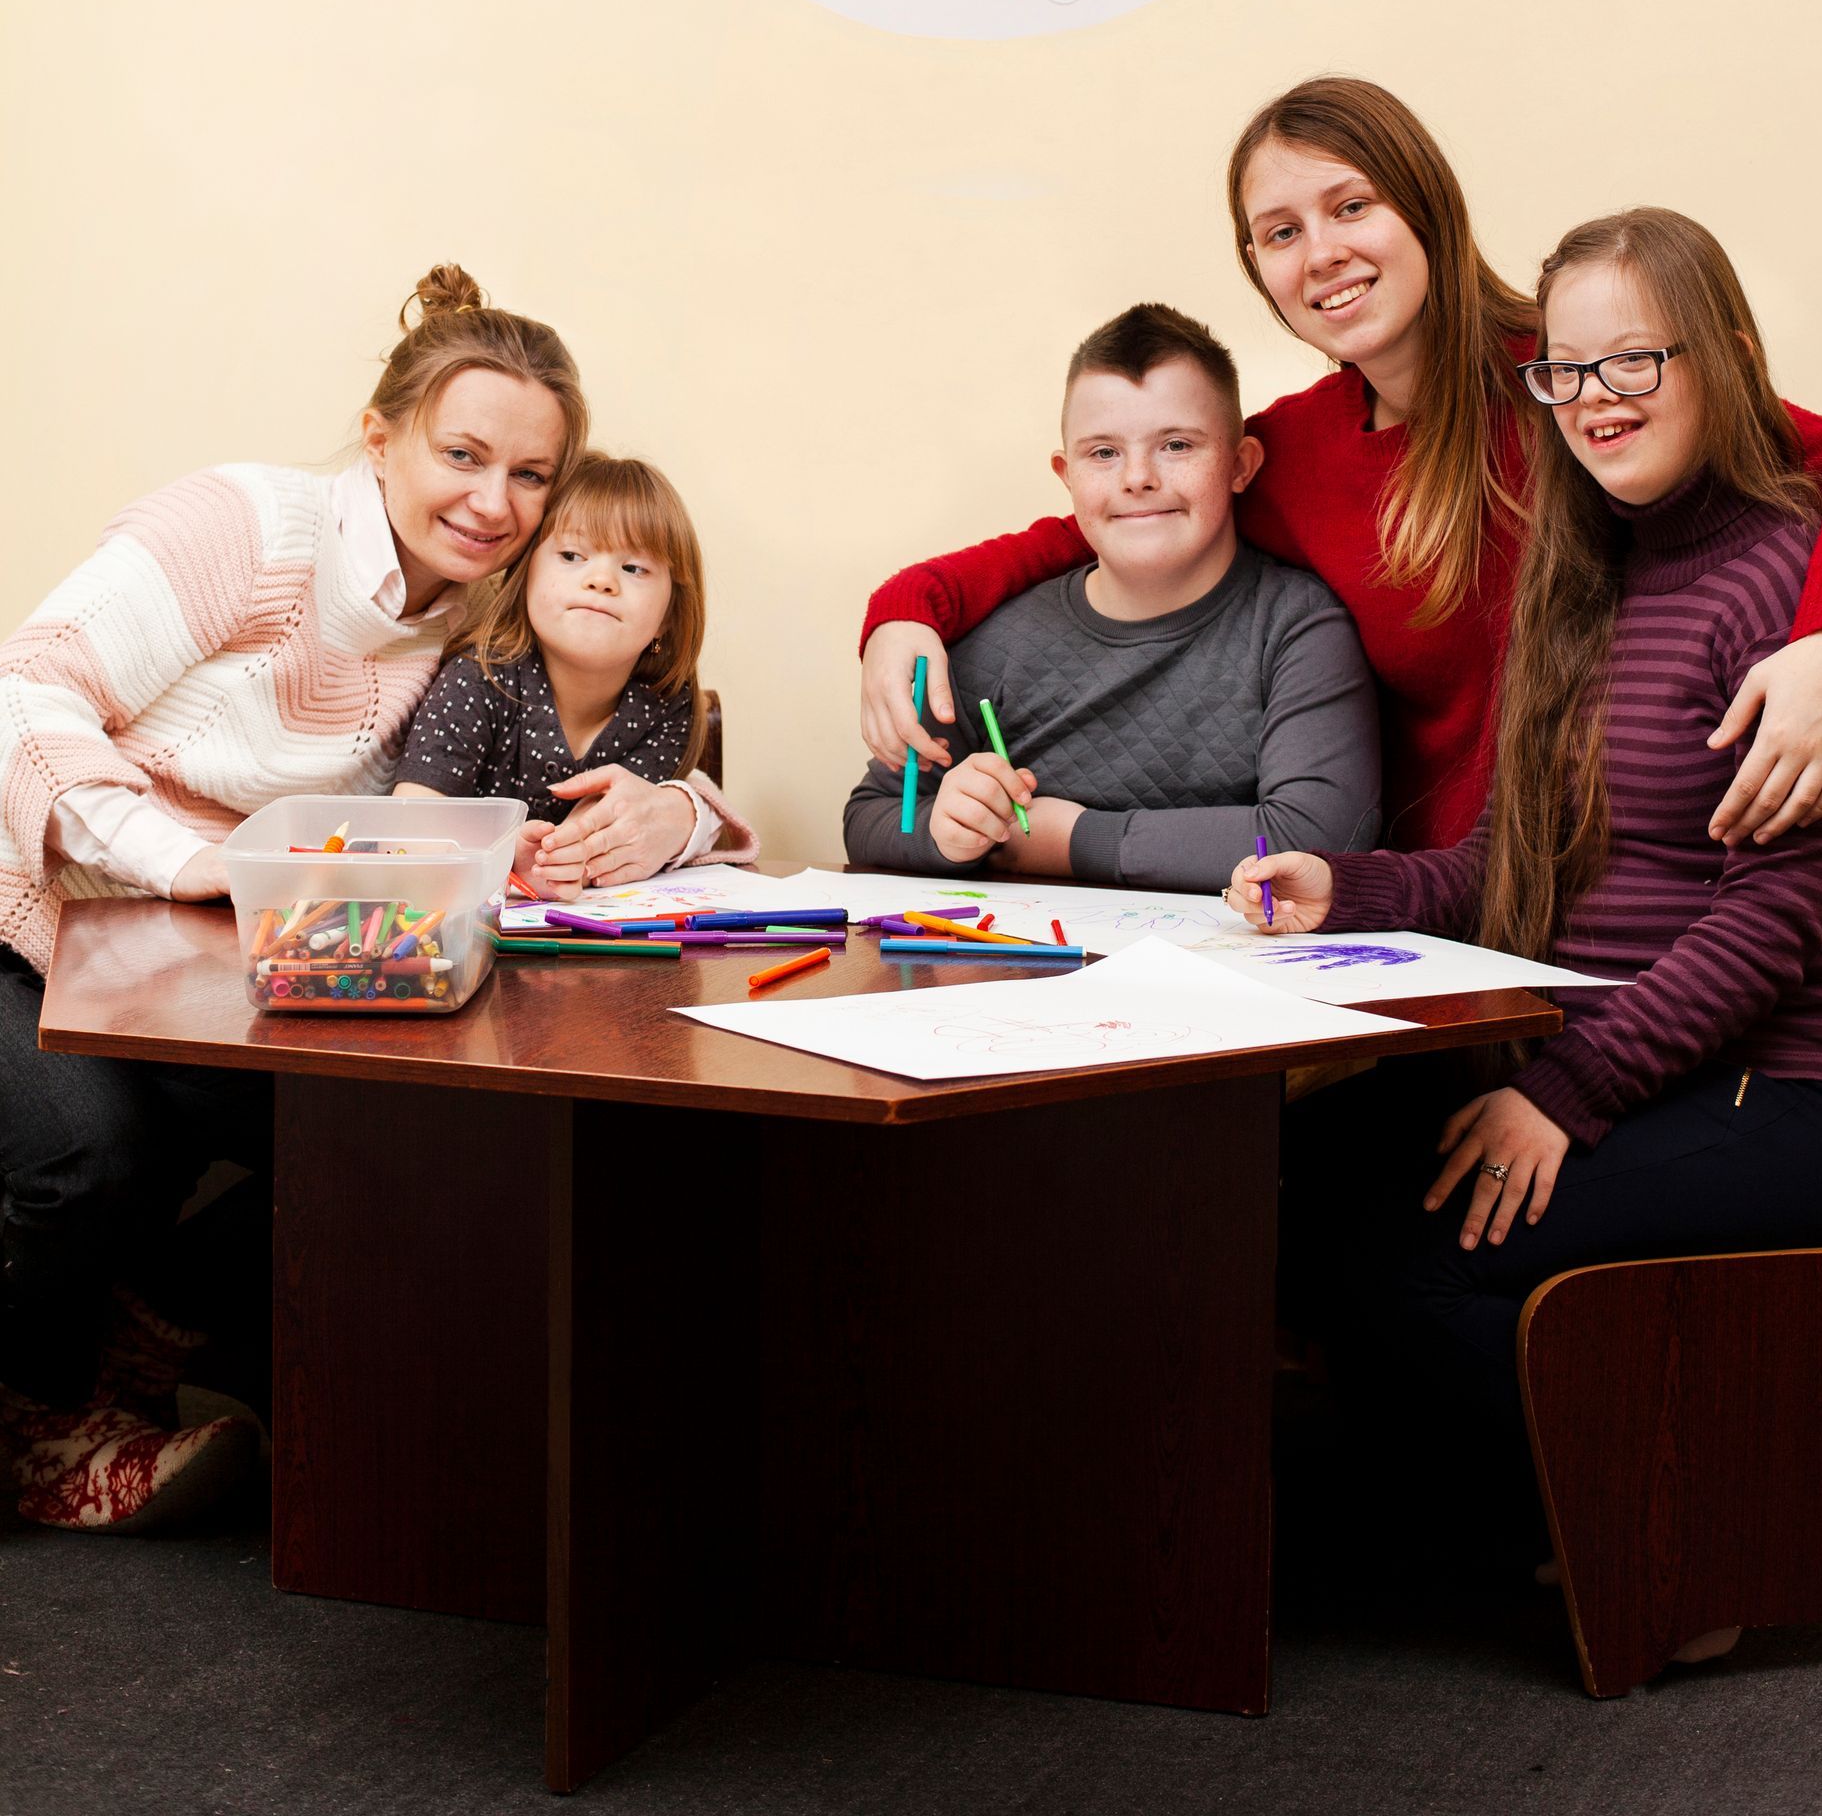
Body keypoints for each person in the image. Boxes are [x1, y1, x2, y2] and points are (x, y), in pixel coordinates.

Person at [1226, 209, 1822, 1632]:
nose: (1594, 400)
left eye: (1634, 363)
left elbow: (1766, 929)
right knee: (1287, 1185)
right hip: (1631, 1068)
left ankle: (1694, 1540)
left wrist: (1564, 1096)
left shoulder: (1795, 589)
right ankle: (1528, 1524)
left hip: (1779, 1092)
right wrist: (1339, 885)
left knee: (1405, 1265)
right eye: (1565, 371)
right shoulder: (1591, 572)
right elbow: (1504, 861)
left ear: (1721, 359)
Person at [858, 81, 1822, 853]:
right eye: (1278, 232)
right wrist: (908, 610)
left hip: (1629, 896)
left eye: (1351, 206)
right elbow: (1120, 509)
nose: (1319, 253)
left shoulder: (1571, 379)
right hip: (1425, 911)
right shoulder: (1299, 451)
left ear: (1426, 206)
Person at [0, 263, 587, 1532]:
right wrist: (183, 856)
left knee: (414, 1135)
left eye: (530, 477)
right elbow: (26, 687)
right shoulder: (246, 526)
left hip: (217, 958)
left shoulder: (483, 613)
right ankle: (31, 1420)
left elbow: (596, 742)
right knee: (94, 1153)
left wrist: (682, 808)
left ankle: (122, 1365)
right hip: (36, 909)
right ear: (381, 437)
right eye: (462, 455)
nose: (494, 504)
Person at [843, 303, 1379, 886]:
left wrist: (1069, 839)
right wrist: (945, 832)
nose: (1136, 478)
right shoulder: (997, 641)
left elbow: (1320, 837)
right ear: (1066, 473)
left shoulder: (1298, 628)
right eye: (1103, 453)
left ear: (1241, 465)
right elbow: (870, 814)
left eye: (1177, 445)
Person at [395, 449, 756, 892]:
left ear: (668, 615)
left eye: (633, 567)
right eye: (571, 555)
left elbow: (594, 841)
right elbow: (409, 829)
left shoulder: (667, 702)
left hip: (611, 947)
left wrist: (563, 860)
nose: (601, 579)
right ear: (524, 576)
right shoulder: (477, 682)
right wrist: (505, 862)